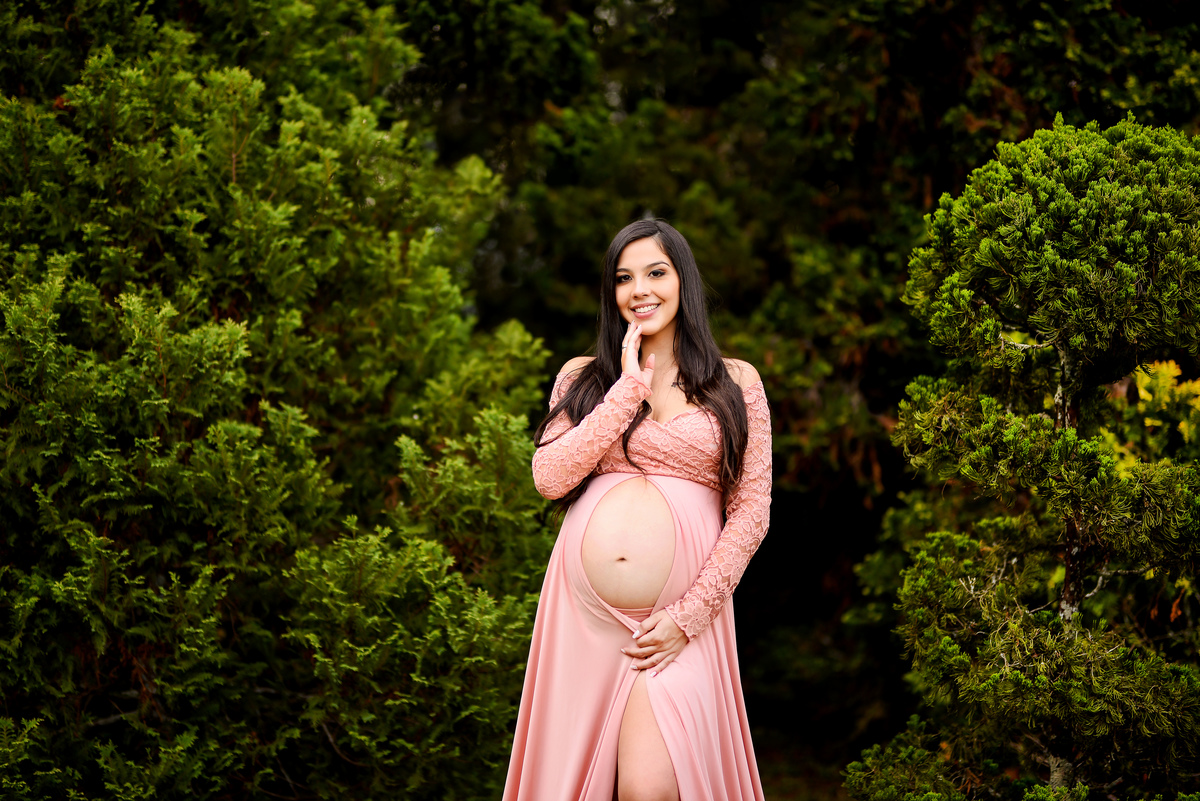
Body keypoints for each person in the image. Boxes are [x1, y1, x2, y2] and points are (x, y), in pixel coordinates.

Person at [503, 219, 772, 801]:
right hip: (585, 623)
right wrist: (627, 388)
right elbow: (549, 477)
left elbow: (751, 513)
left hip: (676, 625)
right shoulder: (584, 377)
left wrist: (687, 616)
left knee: (649, 788)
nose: (639, 289)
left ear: (684, 282)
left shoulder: (736, 382)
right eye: (624, 278)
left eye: (656, 272)